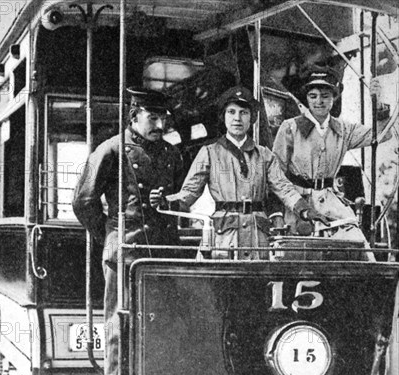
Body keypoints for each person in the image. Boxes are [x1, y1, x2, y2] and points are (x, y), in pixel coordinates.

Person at [72, 88, 183, 375]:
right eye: (153, 117)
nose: (160, 124)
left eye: (164, 118)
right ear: (134, 117)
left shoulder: (171, 154)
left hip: (162, 251)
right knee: (121, 324)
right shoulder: (112, 150)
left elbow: (176, 198)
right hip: (126, 250)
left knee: (160, 324)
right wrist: (109, 235)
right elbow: (84, 202)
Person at [150, 85, 326, 260]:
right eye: (231, 112)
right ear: (223, 117)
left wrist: (305, 210)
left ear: (252, 118)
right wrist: (165, 201)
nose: (237, 118)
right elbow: (188, 193)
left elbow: (284, 189)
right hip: (224, 241)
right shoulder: (209, 153)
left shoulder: (265, 155)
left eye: (243, 112)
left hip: (258, 240)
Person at [272, 64, 392, 242]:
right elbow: (276, 176)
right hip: (297, 207)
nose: (318, 101)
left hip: (332, 205)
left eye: (325, 96)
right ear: (306, 98)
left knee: (357, 245)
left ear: (334, 98)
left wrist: (380, 105)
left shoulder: (344, 130)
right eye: (313, 96)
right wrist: (297, 208)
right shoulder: (290, 128)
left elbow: (382, 134)